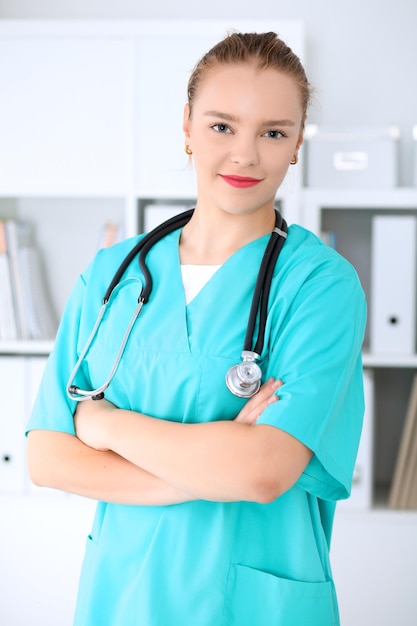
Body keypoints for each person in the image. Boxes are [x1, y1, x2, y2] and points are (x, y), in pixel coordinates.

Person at [26, 31, 366, 626]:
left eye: (273, 132)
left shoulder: (320, 286)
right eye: (221, 126)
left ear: (296, 145)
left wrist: (105, 422)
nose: (245, 155)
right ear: (186, 126)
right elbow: (49, 457)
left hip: (252, 604)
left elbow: (260, 473)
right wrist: (208, 467)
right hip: (122, 596)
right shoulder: (114, 274)